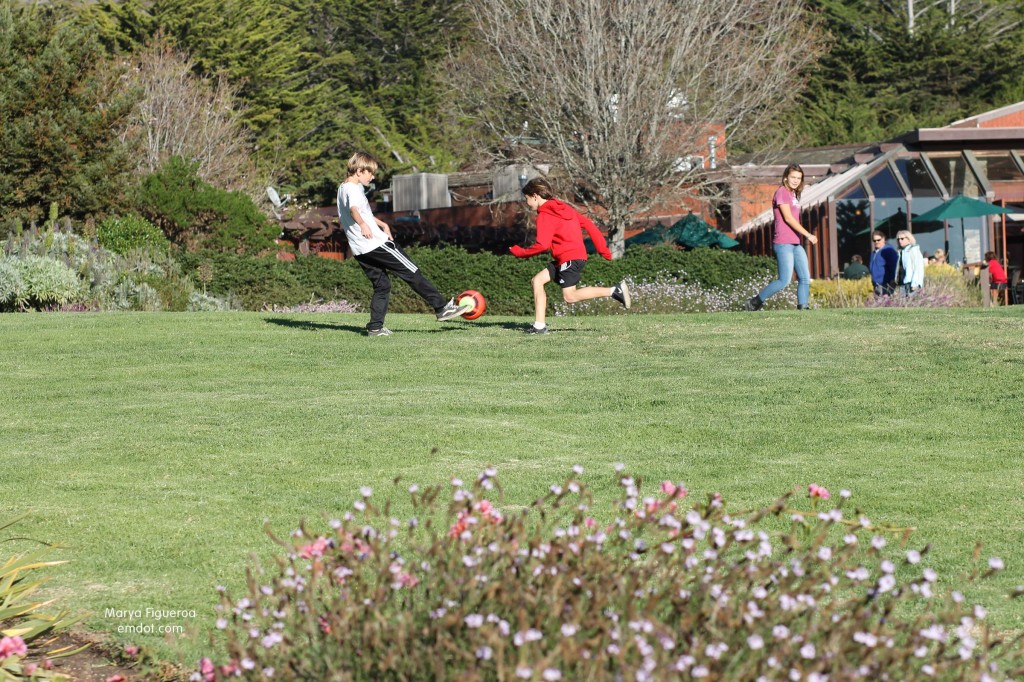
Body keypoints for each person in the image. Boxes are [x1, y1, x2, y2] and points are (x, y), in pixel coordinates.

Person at [336, 151, 469, 336]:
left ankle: (375, 327)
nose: (372, 177)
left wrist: (382, 224)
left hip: (360, 249)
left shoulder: (344, 188)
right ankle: (441, 308)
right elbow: (354, 211)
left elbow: (361, 211)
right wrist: (363, 225)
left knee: (382, 285)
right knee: (412, 270)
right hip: (375, 244)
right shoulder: (353, 189)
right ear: (359, 171)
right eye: (370, 173)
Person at [510, 178, 630, 334]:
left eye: (526, 198)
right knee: (537, 281)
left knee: (570, 296)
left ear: (535, 196)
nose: (527, 203)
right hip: (567, 257)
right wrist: (603, 250)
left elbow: (542, 245)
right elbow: (589, 225)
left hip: (569, 258)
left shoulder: (545, 215)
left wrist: (521, 253)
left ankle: (615, 291)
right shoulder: (565, 208)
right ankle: (539, 326)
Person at [745, 164, 817, 311]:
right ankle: (754, 302)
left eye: (799, 178)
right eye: (793, 177)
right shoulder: (782, 192)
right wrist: (808, 234)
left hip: (796, 243)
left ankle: (803, 308)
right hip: (784, 243)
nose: (796, 180)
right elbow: (789, 219)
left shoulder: (792, 195)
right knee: (784, 280)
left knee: (804, 277)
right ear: (786, 177)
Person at [869, 230, 898, 296]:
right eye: (874, 240)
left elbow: (894, 267)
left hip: (886, 285)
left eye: (878, 240)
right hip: (876, 285)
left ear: (883, 239)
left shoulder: (888, 251)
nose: (876, 242)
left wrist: (892, 282)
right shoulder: (874, 253)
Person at [895, 230, 924, 295]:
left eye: (902, 238)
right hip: (902, 284)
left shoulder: (914, 251)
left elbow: (918, 268)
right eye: (898, 239)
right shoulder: (901, 252)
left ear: (909, 239)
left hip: (911, 284)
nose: (900, 241)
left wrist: (915, 283)